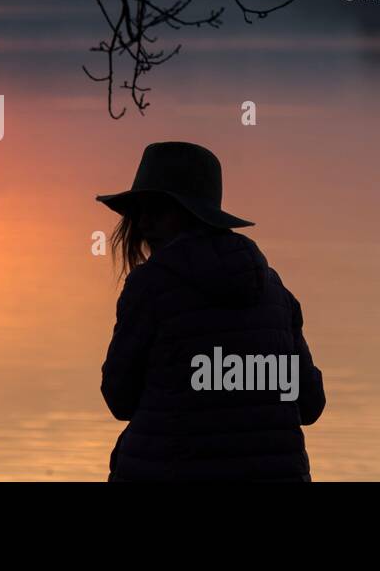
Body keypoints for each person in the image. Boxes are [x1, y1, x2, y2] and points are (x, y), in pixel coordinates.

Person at [96, 142, 326, 481]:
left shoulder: (150, 286)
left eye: (157, 209)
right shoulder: (275, 291)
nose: (143, 222)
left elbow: (120, 399)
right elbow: (309, 405)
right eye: (139, 210)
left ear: (190, 213)